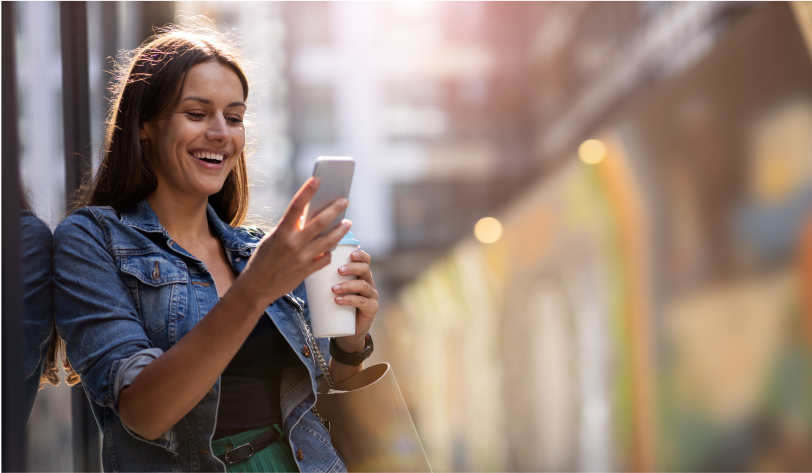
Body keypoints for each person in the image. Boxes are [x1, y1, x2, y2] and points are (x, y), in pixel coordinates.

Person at [54, 24, 379, 473]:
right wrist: (254, 291)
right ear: (144, 125)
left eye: (234, 116)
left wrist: (350, 343)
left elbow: (317, 406)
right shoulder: (91, 240)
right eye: (196, 113)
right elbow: (143, 412)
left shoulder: (255, 252)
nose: (221, 133)